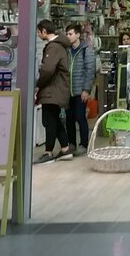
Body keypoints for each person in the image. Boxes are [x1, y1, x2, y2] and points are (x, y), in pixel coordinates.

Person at [35, 20, 72, 164]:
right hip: (57, 88)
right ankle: (65, 148)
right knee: (54, 119)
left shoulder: (53, 47)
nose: (38, 35)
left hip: (52, 89)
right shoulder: (59, 45)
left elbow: (47, 69)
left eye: (39, 32)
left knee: (49, 120)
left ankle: (48, 152)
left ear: (44, 31)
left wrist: (38, 84)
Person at [65, 23, 97, 157]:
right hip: (68, 90)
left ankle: (84, 143)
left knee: (80, 117)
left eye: (70, 34)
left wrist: (86, 89)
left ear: (78, 35)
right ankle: (71, 143)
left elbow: (90, 71)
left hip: (80, 90)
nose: (68, 36)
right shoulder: (66, 51)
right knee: (69, 118)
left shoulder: (86, 50)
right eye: (67, 34)